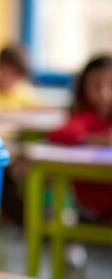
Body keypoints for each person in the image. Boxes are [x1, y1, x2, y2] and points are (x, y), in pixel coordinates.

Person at [48, 55, 112, 222]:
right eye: (96, 86)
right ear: (83, 89)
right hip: (93, 192)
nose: (104, 94)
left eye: (110, 85)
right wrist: (97, 139)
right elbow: (58, 135)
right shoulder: (85, 118)